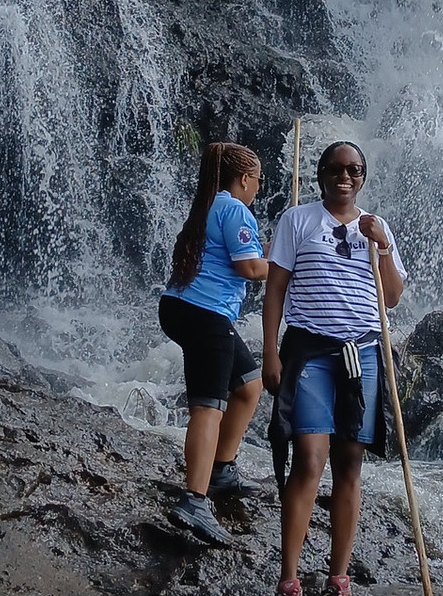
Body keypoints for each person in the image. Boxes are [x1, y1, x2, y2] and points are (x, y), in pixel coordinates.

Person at [262, 141, 407, 596]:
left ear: (363, 176)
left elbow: (394, 295)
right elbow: (275, 290)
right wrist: (270, 350)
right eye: (336, 168)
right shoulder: (297, 220)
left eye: (355, 169)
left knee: (350, 461)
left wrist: (380, 245)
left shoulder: (376, 227)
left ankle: (338, 575)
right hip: (310, 351)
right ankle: (289, 576)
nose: (346, 176)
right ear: (320, 173)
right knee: (309, 458)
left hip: (362, 351)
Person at [160, 141, 269, 546]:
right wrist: (280, 262)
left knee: (249, 385)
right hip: (205, 313)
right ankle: (195, 499)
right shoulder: (236, 209)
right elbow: (248, 266)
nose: (258, 188)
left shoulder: (209, 203)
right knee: (209, 407)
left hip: (181, 306)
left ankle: (222, 470)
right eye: (258, 180)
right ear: (244, 178)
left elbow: (241, 257)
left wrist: (268, 255)